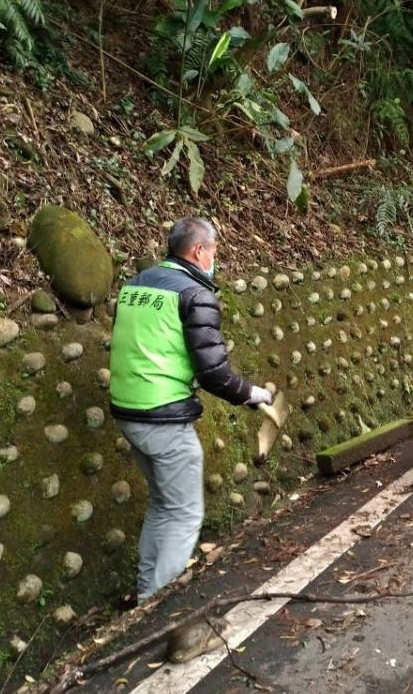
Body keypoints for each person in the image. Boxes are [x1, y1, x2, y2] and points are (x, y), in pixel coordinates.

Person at [109, 217, 272, 600]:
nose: (215, 258)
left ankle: (145, 593)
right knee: (184, 514)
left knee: (163, 505)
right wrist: (251, 393)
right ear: (200, 251)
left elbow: (150, 346)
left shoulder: (135, 285)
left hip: (128, 411)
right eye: (214, 251)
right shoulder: (194, 294)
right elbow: (214, 372)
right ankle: (156, 612)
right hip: (163, 416)